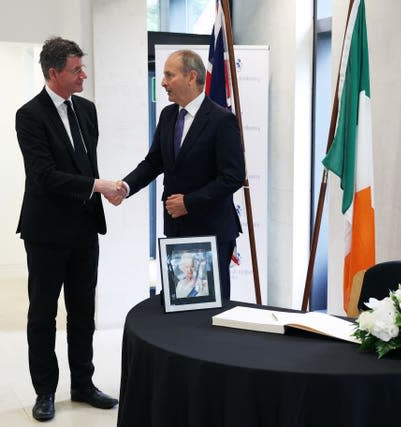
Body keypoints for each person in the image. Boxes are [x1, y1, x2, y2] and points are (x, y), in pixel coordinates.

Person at [15, 36, 123, 422]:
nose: (84, 76)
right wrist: (98, 186)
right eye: (76, 70)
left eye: (83, 67)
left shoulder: (88, 111)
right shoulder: (29, 116)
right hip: (45, 232)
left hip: (84, 228)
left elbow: (84, 166)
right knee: (43, 315)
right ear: (53, 73)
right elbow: (44, 176)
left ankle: (83, 384)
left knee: (82, 313)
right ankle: (45, 391)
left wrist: (103, 193)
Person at [111, 49, 245, 299]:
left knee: (207, 310)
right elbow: (153, 162)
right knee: (178, 306)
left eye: (169, 75)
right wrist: (125, 187)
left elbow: (233, 177)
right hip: (176, 229)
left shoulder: (221, 120)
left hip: (211, 232)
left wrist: (189, 202)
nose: (162, 82)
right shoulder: (168, 115)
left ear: (191, 77)